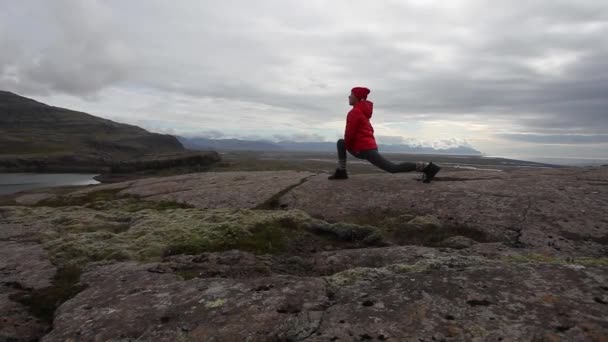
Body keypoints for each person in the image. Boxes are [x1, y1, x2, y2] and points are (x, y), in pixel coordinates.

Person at [328, 86, 441, 183]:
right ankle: (342, 171)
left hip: (364, 149)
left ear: (357, 97)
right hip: (366, 147)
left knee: (392, 168)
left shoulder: (355, 112)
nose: (349, 96)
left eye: (351, 95)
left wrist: (353, 147)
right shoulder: (361, 112)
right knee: (341, 142)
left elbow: (350, 134)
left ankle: (427, 167)